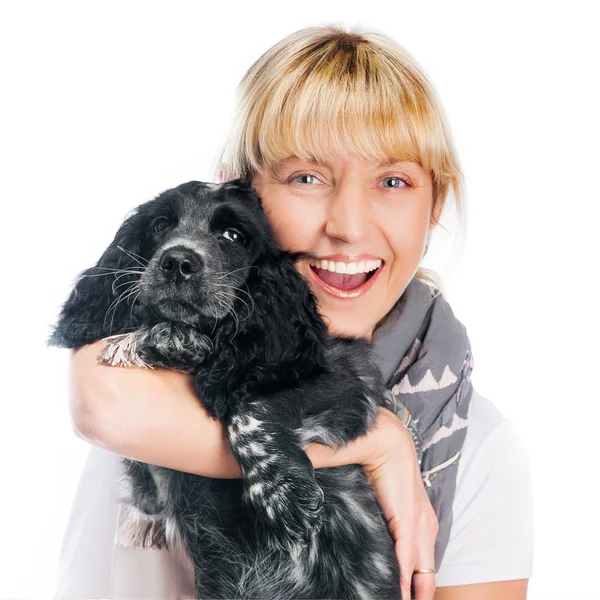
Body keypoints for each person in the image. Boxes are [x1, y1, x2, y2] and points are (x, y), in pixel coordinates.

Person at [54, 24, 534, 600]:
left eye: (394, 180)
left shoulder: (477, 444)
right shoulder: (151, 388)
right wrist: (375, 438)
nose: (349, 225)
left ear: (434, 208)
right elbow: (103, 404)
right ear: (244, 193)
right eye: (307, 177)